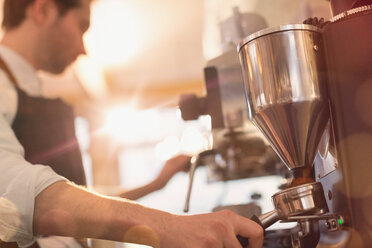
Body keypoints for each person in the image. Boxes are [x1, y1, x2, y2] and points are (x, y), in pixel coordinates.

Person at [0, 0, 264, 248]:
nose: (83, 49)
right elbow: (10, 186)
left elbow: (83, 201)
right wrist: (170, 227)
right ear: (42, 9)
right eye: (81, 26)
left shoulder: (27, 92)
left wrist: (156, 183)